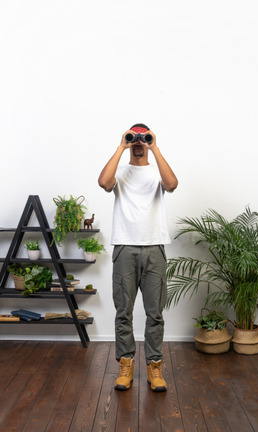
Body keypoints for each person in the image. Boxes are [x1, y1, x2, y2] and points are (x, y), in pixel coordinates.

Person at [98, 123, 178, 392]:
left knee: (155, 314)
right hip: (124, 248)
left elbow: (172, 184)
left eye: (142, 138)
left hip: (155, 248)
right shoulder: (119, 171)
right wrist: (121, 146)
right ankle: (125, 366)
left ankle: (155, 367)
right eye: (134, 138)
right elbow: (103, 183)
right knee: (124, 312)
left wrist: (154, 147)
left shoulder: (157, 171)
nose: (138, 142)